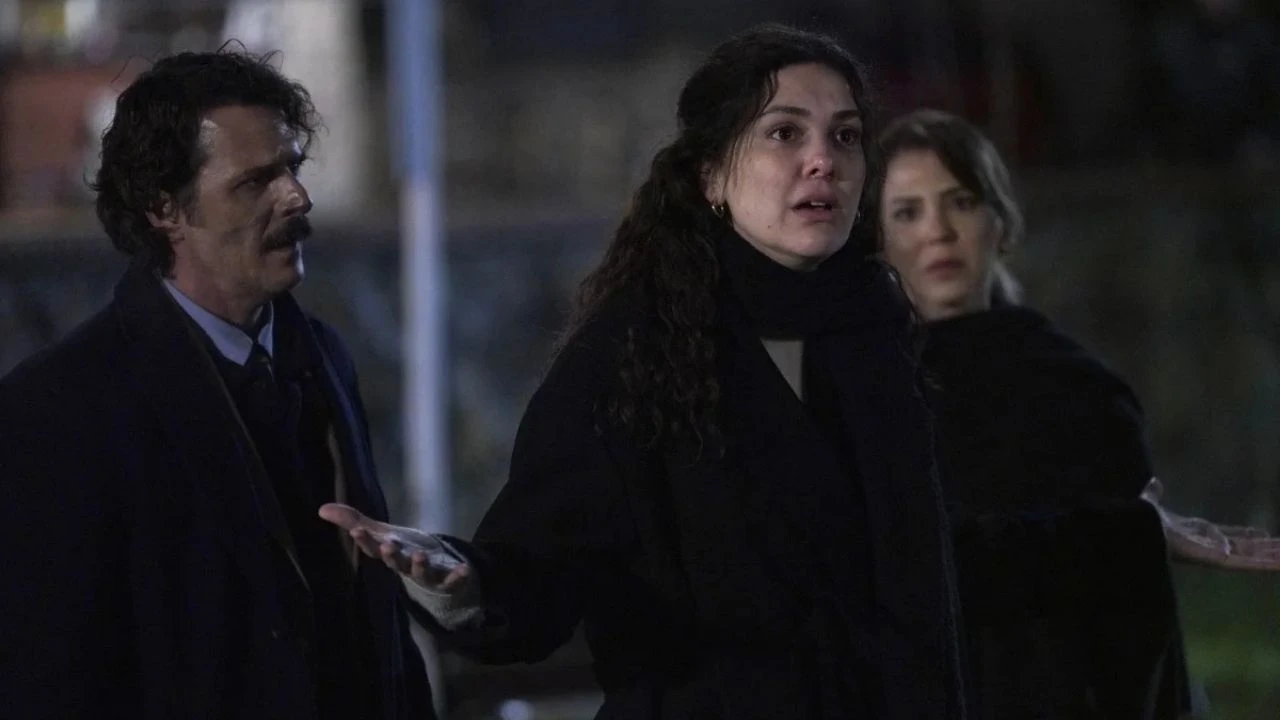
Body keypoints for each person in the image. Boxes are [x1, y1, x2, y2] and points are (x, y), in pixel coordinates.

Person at [323, 23, 969, 720]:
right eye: (785, 133)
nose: (823, 161)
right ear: (711, 174)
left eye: (845, 136)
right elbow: (541, 567)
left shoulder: (880, 335)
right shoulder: (636, 351)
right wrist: (461, 581)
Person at [0, 51, 435, 719]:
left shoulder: (322, 355)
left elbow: (374, 625)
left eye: (292, 168)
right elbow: (52, 677)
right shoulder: (60, 408)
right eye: (256, 181)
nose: (296, 197)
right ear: (164, 208)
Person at [875, 108, 1280, 718]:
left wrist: (1127, 535)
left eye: (961, 202)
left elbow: (1132, 620)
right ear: (879, 245)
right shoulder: (864, 398)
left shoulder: (1082, 390)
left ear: (1001, 223)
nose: (938, 231)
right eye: (908, 212)